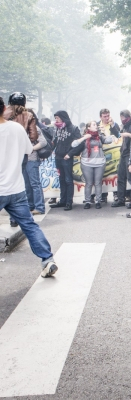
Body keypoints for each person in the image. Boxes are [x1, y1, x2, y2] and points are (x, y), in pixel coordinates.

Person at [0, 96, 58, 278]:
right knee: (29, 226)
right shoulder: (17, 128)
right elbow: (28, 149)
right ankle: (47, 260)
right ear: (3, 109)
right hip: (16, 189)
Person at [70, 121, 115, 209]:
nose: (96, 126)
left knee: (98, 183)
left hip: (100, 163)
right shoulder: (85, 137)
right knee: (89, 183)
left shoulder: (100, 136)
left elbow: (109, 140)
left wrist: (105, 131)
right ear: (89, 127)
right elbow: (73, 144)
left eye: (96, 124)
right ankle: (87, 201)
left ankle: (98, 201)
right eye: (94, 125)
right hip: (87, 163)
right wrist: (84, 138)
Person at [50, 110, 81, 210]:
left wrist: (70, 154)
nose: (56, 120)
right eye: (55, 118)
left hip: (67, 158)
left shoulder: (74, 128)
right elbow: (54, 141)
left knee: (68, 180)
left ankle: (69, 202)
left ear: (63, 118)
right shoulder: (57, 128)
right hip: (58, 157)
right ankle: (62, 200)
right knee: (61, 179)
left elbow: (79, 144)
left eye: (57, 118)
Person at [113, 110, 131, 207]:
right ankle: (121, 199)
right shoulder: (124, 125)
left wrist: (127, 134)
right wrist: (113, 126)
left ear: (126, 116)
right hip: (124, 152)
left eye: (122, 118)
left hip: (129, 153)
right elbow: (119, 134)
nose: (122, 120)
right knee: (121, 177)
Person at [97, 108, 120, 203]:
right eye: (104, 116)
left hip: (114, 153)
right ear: (100, 117)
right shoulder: (97, 125)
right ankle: (103, 195)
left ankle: (116, 194)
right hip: (102, 153)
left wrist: (113, 125)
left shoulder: (114, 124)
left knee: (115, 174)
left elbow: (118, 135)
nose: (107, 118)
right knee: (103, 175)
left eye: (108, 116)